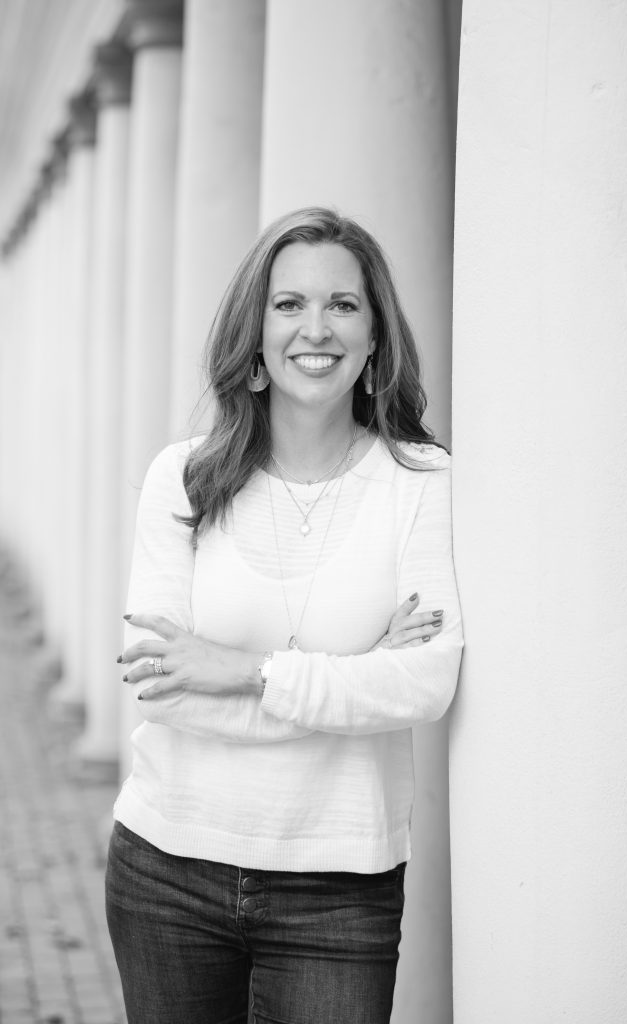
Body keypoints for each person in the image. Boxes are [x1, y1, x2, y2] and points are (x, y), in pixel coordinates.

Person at [105, 206, 463, 1024]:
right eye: (289, 304)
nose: (316, 328)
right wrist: (353, 678)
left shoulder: (420, 482)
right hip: (167, 869)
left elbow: (426, 684)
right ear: (257, 334)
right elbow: (163, 690)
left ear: (375, 337)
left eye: (342, 305)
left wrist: (244, 670)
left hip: (339, 889)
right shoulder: (184, 480)